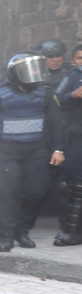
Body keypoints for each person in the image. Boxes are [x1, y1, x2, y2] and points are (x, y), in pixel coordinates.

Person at [0, 51, 66, 251]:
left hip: (36, 151)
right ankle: (6, 236)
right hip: (4, 152)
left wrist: (59, 149)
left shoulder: (45, 93)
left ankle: (22, 230)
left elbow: (57, 123)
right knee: (8, 194)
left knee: (38, 191)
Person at [55, 48, 82, 245]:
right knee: (75, 184)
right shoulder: (73, 76)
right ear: (73, 60)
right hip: (77, 136)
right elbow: (57, 99)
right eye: (80, 58)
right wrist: (73, 94)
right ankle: (72, 232)